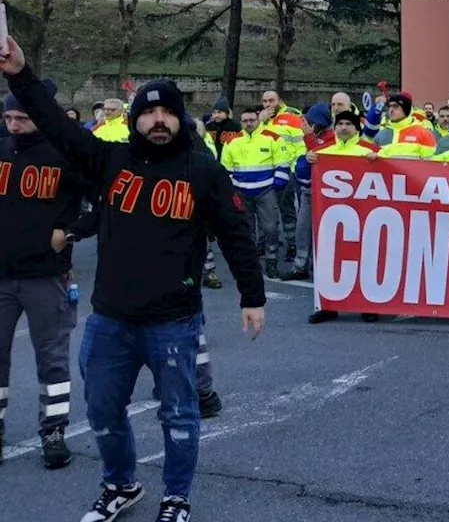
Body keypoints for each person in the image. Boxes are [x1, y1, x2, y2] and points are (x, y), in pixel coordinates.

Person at [1, 36, 266, 522]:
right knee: (102, 411)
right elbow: (59, 129)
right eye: (149, 112)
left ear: (179, 118)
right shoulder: (110, 161)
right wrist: (20, 74)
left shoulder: (203, 172)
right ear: (135, 119)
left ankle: (176, 497)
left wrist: (253, 296)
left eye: (167, 112)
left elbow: (236, 237)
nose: (158, 120)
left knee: (179, 417)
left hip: (173, 321)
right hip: (110, 320)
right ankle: (121, 484)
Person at [0, 80, 86, 469]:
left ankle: (54, 430)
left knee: (52, 356)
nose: (15, 125)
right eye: (9, 117)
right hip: (1, 274)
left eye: (22, 118)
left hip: (46, 275)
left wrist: (69, 231)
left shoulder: (63, 155)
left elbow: (97, 204)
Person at [305, 111, 381, 325]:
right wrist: (307, 159)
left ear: (357, 128)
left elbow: (391, 172)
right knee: (330, 260)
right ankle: (328, 306)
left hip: (364, 213)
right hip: (332, 215)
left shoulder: (372, 151)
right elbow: (302, 174)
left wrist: (380, 160)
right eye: (340, 124)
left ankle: (369, 305)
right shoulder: (323, 151)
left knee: (365, 259)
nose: (344, 127)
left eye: (349, 124)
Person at [220, 107, 290, 279]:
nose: (249, 123)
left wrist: (277, 184)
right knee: (246, 231)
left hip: (266, 190)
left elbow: (283, 162)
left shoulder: (272, 138)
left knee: (271, 228)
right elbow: (225, 169)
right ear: (241, 122)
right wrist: (231, 189)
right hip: (241, 193)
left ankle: (272, 263)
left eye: (252, 120)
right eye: (245, 120)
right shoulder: (231, 142)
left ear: (258, 120)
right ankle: (251, 265)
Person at [282, 104, 336, 282]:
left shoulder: (330, 138)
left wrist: (308, 138)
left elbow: (322, 157)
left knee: (323, 233)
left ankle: (319, 267)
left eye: (310, 122)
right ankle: (300, 266)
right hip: (308, 191)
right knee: (302, 230)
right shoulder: (316, 137)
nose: (306, 125)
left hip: (325, 195)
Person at [259, 90, 305, 264]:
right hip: (266, 171)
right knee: (266, 211)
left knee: (287, 211)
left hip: (287, 172)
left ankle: (292, 245)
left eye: (271, 100)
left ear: (279, 101)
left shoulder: (292, 118)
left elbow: (300, 146)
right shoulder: (262, 119)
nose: (268, 104)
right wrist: (261, 122)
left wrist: (294, 170)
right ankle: (265, 244)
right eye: (265, 101)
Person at [373, 94, 437, 160]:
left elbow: (431, 165)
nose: (391, 110)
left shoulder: (424, 134)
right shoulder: (380, 135)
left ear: (405, 109)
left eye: (395, 106)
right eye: (389, 106)